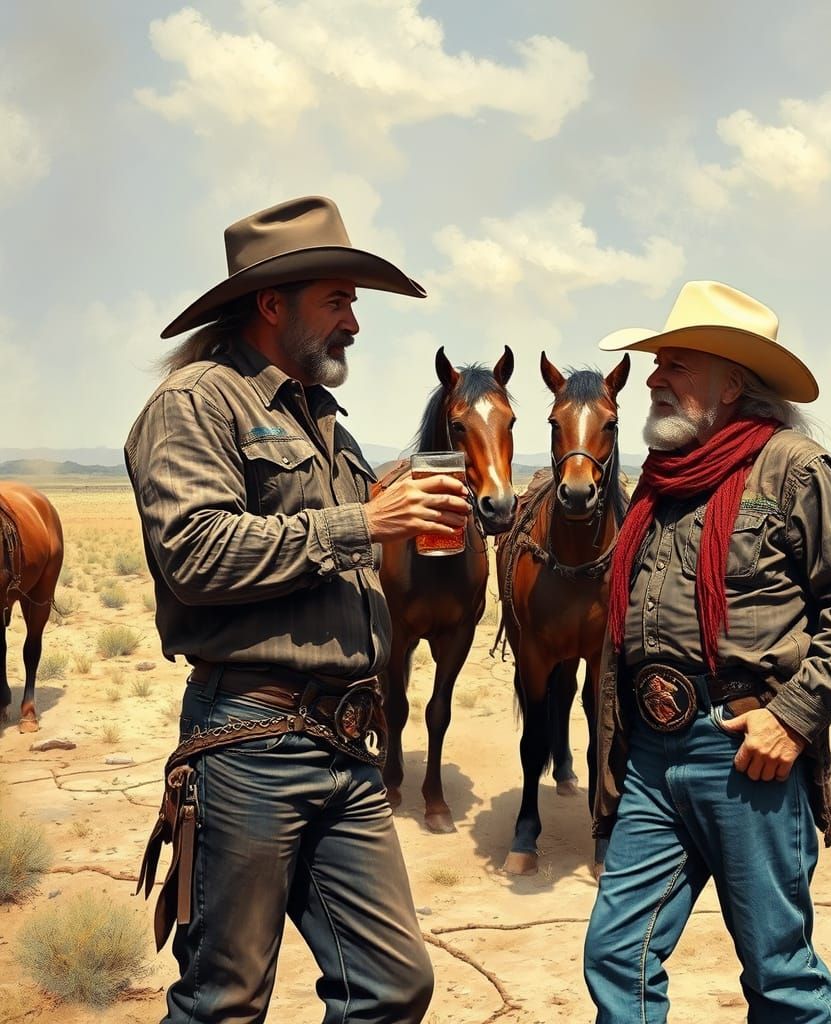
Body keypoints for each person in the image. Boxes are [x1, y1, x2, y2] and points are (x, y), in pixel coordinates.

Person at [126, 196, 471, 1024]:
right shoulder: (197, 402)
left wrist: (394, 506)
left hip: (345, 744)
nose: (354, 322)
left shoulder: (325, 423)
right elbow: (195, 554)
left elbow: (341, 546)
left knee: (393, 985)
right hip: (250, 741)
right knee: (225, 1000)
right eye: (338, 300)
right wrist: (365, 522)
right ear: (272, 305)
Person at [582, 280, 831, 1023]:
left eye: (676, 364)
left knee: (778, 973)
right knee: (616, 955)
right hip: (652, 754)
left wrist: (793, 717)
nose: (653, 379)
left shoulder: (793, 468)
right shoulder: (661, 478)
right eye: (657, 363)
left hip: (745, 751)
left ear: (732, 383)